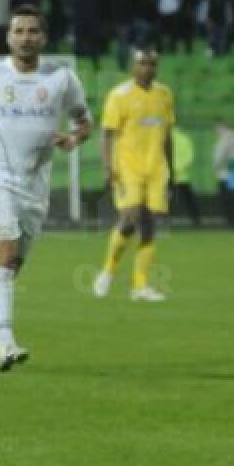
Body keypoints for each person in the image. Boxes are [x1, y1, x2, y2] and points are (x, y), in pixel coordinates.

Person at [0, 5, 91, 370]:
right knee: (4, 249)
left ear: (43, 37)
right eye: (19, 31)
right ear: (8, 37)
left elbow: (83, 121)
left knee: (9, 265)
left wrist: (74, 138)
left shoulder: (62, 79)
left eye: (32, 31)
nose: (25, 38)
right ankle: (6, 343)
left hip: (35, 187)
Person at [92, 49, 175, 301]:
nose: (147, 68)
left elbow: (167, 134)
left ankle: (140, 287)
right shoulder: (120, 95)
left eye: (152, 64)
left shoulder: (164, 94)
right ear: (133, 66)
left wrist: (172, 169)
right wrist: (108, 167)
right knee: (131, 218)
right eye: (142, 64)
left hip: (157, 169)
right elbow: (107, 134)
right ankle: (107, 270)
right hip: (128, 168)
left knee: (150, 226)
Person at [212, 120, 234, 226]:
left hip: (228, 175)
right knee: (230, 199)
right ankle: (233, 220)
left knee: (230, 199)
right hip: (225, 174)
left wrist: (220, 164)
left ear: (223, 127)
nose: (214, 130)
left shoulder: (230, 139)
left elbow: (232, 155)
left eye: (216, 127)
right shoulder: (228, 138)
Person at [170, 126, 201, 227]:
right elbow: (190, 157)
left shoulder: (161, 138)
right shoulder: (184, 139)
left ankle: (163, 220)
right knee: (189, 199)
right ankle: (196, 219)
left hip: (167, 175)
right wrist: (179, 168)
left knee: (164, 199)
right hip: (182, 175)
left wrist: (171, 169)